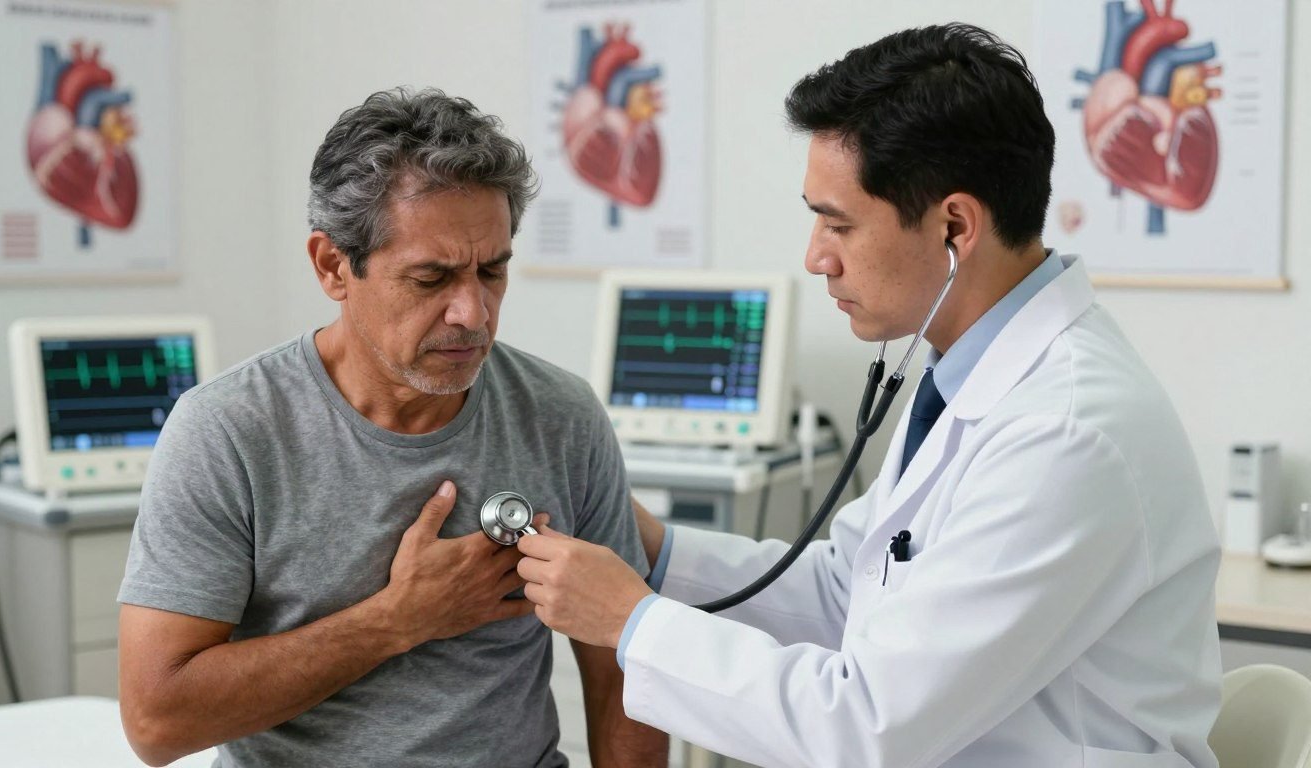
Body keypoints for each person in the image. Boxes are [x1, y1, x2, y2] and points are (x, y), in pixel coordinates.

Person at [510, 23, 1222, 768]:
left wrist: (630, 621)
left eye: (836, 222)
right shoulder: (965, 373)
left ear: (955, 227)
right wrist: (653, 549)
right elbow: (850, 591)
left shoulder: (1066, 433)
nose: (816, 256)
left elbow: (867, 728)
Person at [117, 87, 667, 768]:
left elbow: (623, 667)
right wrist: (398, 620)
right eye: (431, 279)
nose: (473, 312)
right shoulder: (228, 433)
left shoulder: (559, 413)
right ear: (332, 266)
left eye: (492, 271)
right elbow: (156, 722)